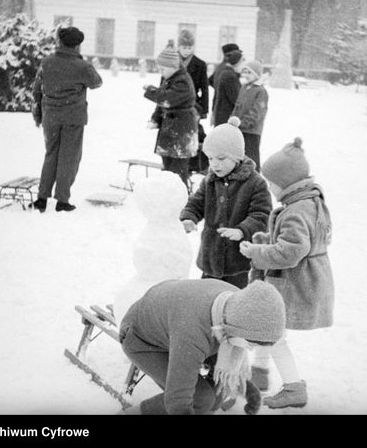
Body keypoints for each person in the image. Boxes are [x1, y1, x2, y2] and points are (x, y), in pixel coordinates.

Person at [239, 137, 334, 409]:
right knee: (268, 328)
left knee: (274, 334)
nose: (269, 187)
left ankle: (293, 388)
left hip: (294, 283)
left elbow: (292, 252)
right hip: (300, 280)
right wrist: (267, 240)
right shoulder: (309, 202)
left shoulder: (296, 209)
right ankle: (259, 374)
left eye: (271, 183)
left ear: (286, 182)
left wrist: (257, 253)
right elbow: (296, 241)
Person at [119, 278, 286, 415]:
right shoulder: (192, 332)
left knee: (220, 389)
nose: (249, 349)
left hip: (173, 322)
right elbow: (179, 397)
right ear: (234, 328)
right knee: (201, 399)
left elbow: (228, 372)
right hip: (141, 339)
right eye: (250, 343)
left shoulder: (237, 304)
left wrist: (245, 386)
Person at [180, 117, 271, 289]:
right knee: (207, 300)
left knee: (236, 304)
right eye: (210, 158)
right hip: (211, 261)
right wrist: (189, 218)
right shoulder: (210, 181)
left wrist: (242, 230)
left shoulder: (255, 183)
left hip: (239, 264)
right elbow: (196, 203)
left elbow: (262, 215)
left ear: (236, 157)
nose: (215, 164)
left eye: (221, 158)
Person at [30, 26, 102, 213]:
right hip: (73, 118)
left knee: (51, 154)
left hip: (50, 117)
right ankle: (62, 200)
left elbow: (36, 89)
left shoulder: (47, 62)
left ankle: (42, 198)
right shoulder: (83, 66)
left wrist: (37, 114)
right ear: (78, 45)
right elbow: (97, 83)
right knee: (68, 158)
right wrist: (85, 65)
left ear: (59, 42)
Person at [144, 40, 199, 189]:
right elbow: (162, 104)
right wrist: (155, 119)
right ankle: (167, 196)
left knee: (178, 172)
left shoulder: (183, 81)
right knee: (167, 168)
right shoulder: (170, 78)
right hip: (171, 131)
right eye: (159, 68)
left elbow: (167, 99)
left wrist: (151, 91)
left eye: (163, 68)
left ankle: (180, 200)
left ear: (173, 67)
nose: (160, 71)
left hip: (182, 132)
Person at [177, 29, 210, 174]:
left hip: (193, 107)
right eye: (184, 47)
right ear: (179, 47)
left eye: (189, 48)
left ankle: (191, 165)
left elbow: (205, 88)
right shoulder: (172, 62)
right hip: (175, 105)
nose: (186, 51)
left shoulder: (200, 64)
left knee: (190, 136)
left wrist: (203, 109)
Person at [231, 60, 269, 172]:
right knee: (239, 157)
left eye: (249, 72)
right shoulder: (244, 88)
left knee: (251, 158)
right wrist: (232, 119)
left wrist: (242, 123)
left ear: (256, 75)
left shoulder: (260, 91)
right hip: (239, 129)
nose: (246, 75)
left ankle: (254, 179)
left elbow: (256, 112)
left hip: (252, 132)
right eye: (245, 72)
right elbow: (237, 106)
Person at [210, 44, 243, 127]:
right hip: (225, 111)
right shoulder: (228, 73)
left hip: (219, 107)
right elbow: (235, 98)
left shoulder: (220, 67)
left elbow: (211, 81)